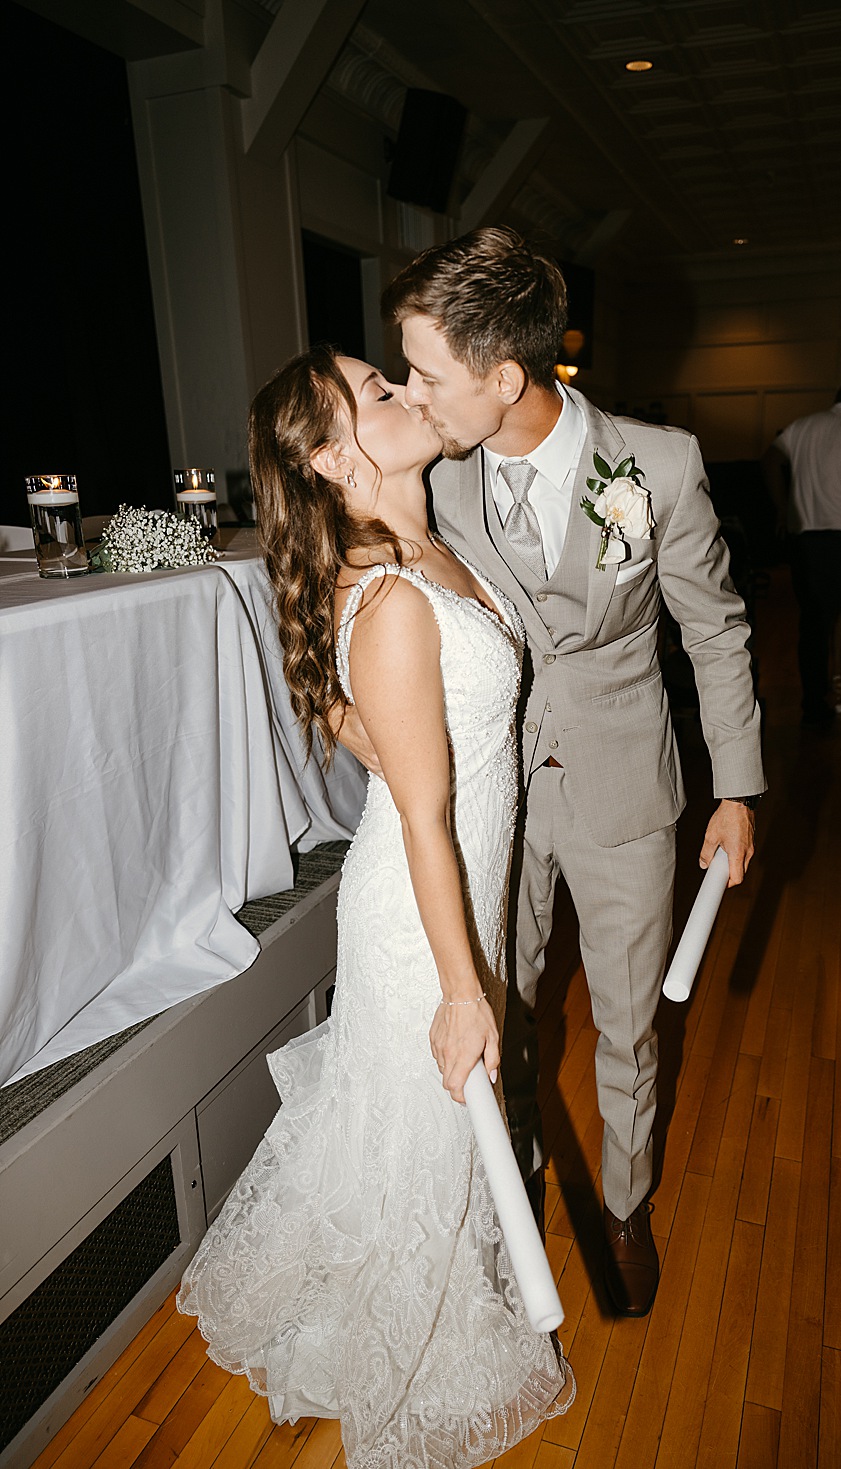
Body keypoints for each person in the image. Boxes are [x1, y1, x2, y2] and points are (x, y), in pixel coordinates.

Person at [332, 227, 764, 1319]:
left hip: (628, 790)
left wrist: (737, 789)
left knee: (629, 1021)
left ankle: (623, 1203)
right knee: (505, 1005)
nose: (411, 397)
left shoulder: (660, 465)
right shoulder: (437, 473)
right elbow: (341, 590)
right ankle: (511, 1175)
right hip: (496, 795)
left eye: (427, 376)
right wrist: (346, 718)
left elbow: (715, 631)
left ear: (505, 378)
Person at [177, 344, 574, 1466]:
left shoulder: (422, 550)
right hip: (418, 909)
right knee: (423, 1129)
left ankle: (365, 1314)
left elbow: (380, 734)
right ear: (334, 457)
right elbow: (423, 816)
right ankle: (398, 1348)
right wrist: (462, 988)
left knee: (413, 1135)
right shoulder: (392, 595)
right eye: (381, 392)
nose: (408, 392)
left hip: (452, 882)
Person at [763, 379, 841, 724]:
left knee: (814, 627)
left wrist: (783, 508)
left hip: (808, 542)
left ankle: (814, 704)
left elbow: (770, 460)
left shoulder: (802, 426)